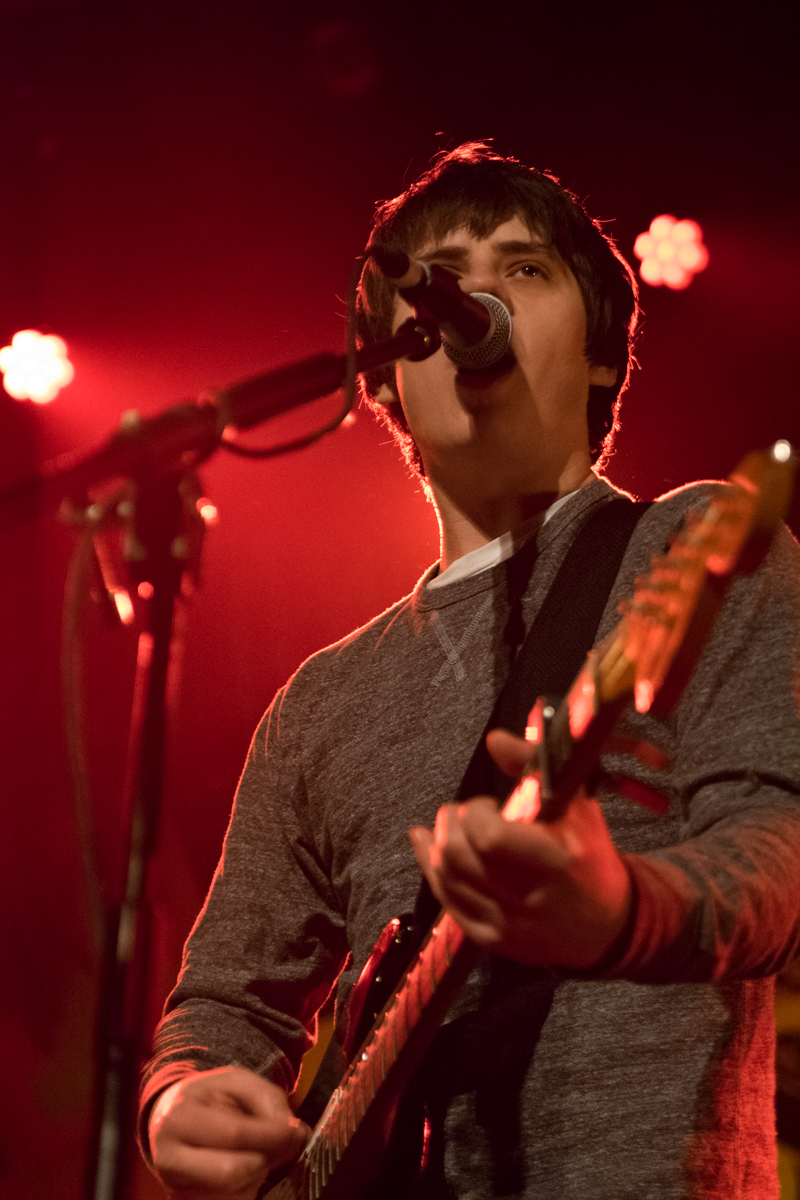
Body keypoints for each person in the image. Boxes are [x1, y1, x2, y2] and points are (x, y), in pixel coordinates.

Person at [139, 143, 800, 1199]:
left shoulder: (690, 548)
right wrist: (180, 1100)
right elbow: (222, 1003)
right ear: (392, 370)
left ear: (599, 355)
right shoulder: (316, 702)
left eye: (522, 268)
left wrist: (619, 910)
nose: (470, 295)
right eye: (437, 274)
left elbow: (778, 857)